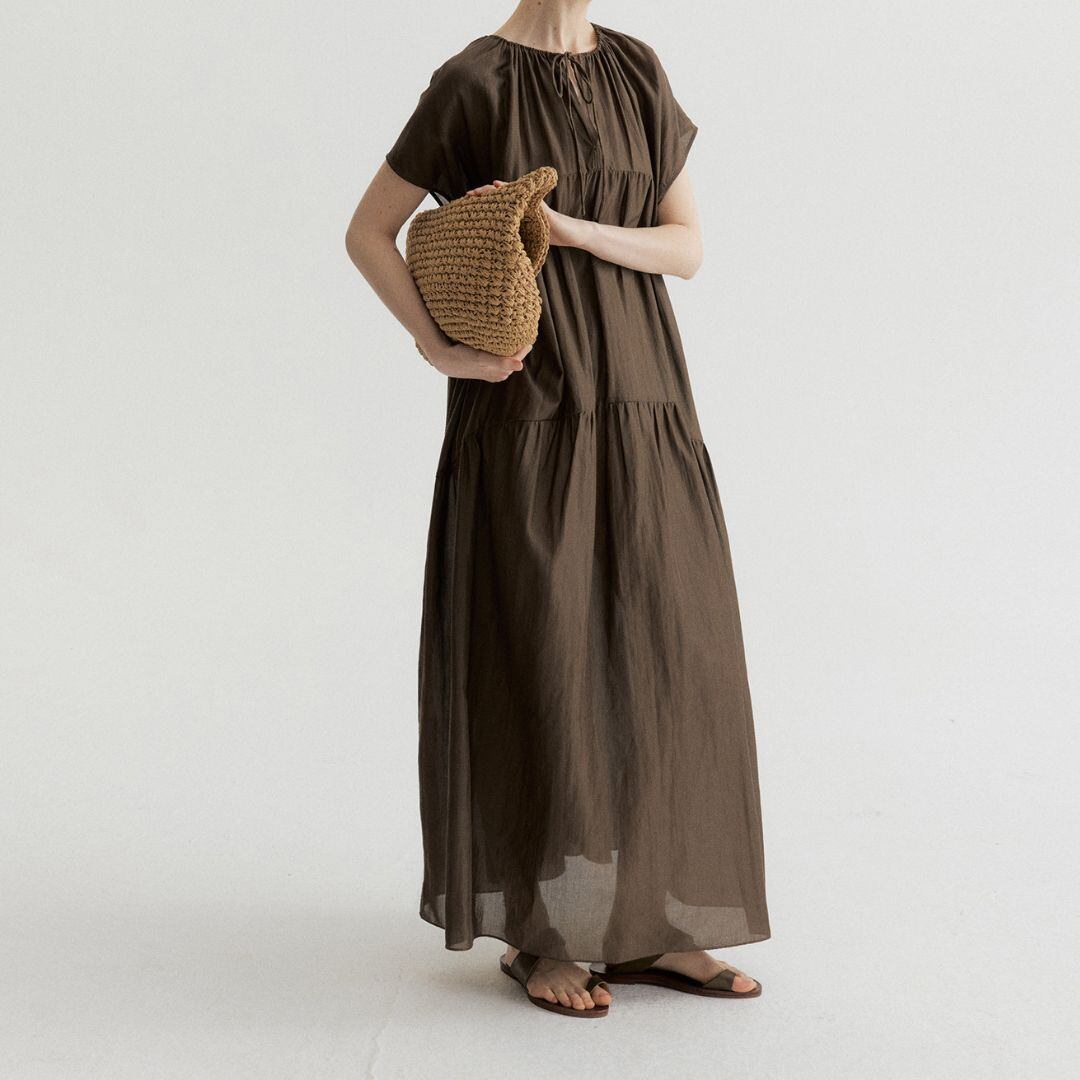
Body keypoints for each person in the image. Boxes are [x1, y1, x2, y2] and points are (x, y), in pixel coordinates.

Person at [346, 0, 770, 1018]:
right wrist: (436, 347)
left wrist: (566, 228)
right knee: (547, 649)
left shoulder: (637, 69)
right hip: (528, 403)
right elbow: (368, 231)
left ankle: (656, 924)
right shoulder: (474, 82)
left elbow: (687, 248)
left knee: (668, 647)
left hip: (646, 398)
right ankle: (543, 937)